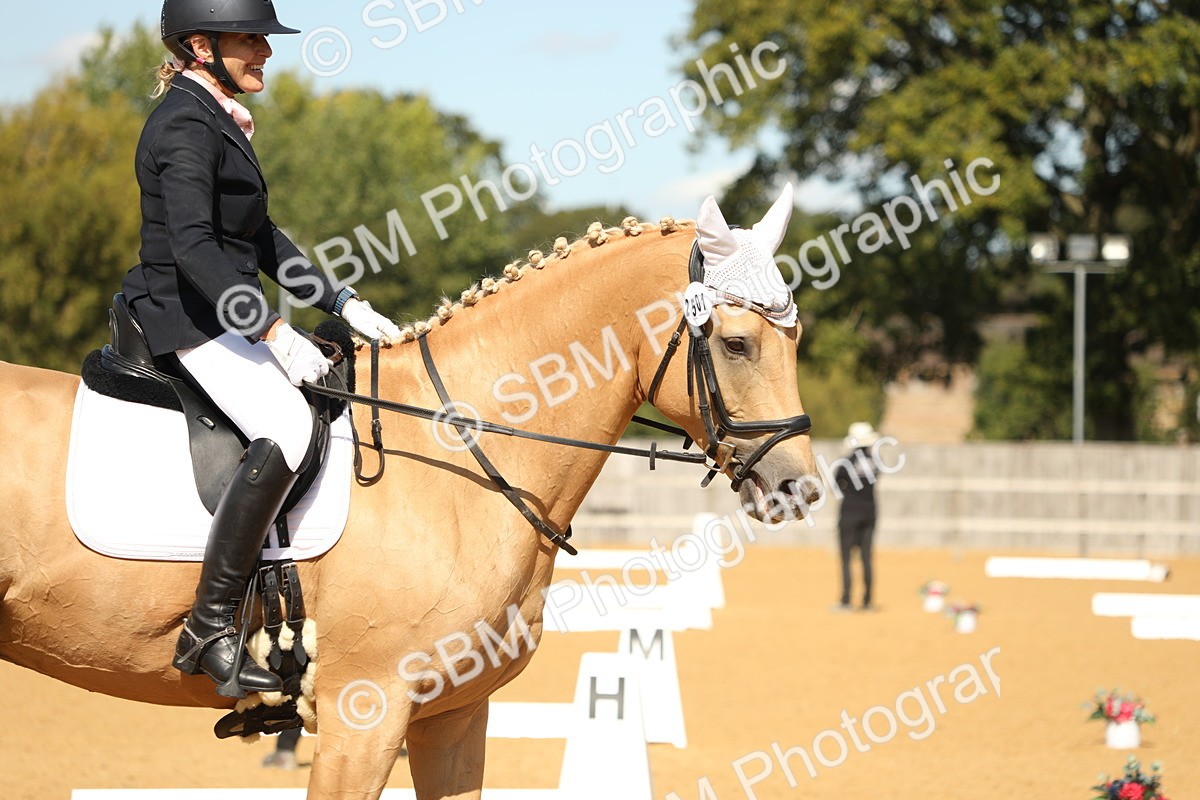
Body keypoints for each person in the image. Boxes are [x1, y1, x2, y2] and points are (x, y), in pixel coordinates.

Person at [123, 0, 401, 697]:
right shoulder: (185, 124)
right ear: (199, 44)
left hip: (219, 314)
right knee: (287, 423)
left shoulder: (215, 117)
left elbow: (261, 237)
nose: (266, 52)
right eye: (251, 38)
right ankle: (210, 625)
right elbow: (193, 251)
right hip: (186, 320)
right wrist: (273, 332)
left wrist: (339, 301)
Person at [832, 421, 881, 612]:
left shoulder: (845, 462)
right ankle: (868, 600)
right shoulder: (875, 462)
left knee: (846, 558)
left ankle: (846, 600)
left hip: (849, 513)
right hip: (870, 512)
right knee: (867, 557)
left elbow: (837, 486)